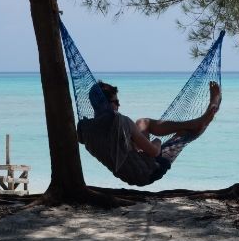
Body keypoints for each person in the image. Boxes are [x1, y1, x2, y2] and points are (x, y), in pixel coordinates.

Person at [76, 80, 222, 186]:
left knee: (143, 122)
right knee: (184, 134)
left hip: (126, 172)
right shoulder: (122, 122)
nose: (119, 105)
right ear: (106, 103)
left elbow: (95, 141)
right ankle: (208, 113)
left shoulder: (84, 128)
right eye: (116, 102)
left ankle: (196, 121)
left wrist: (131, 145)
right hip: (148, 171)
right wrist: (157, 141)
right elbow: (154, 152)